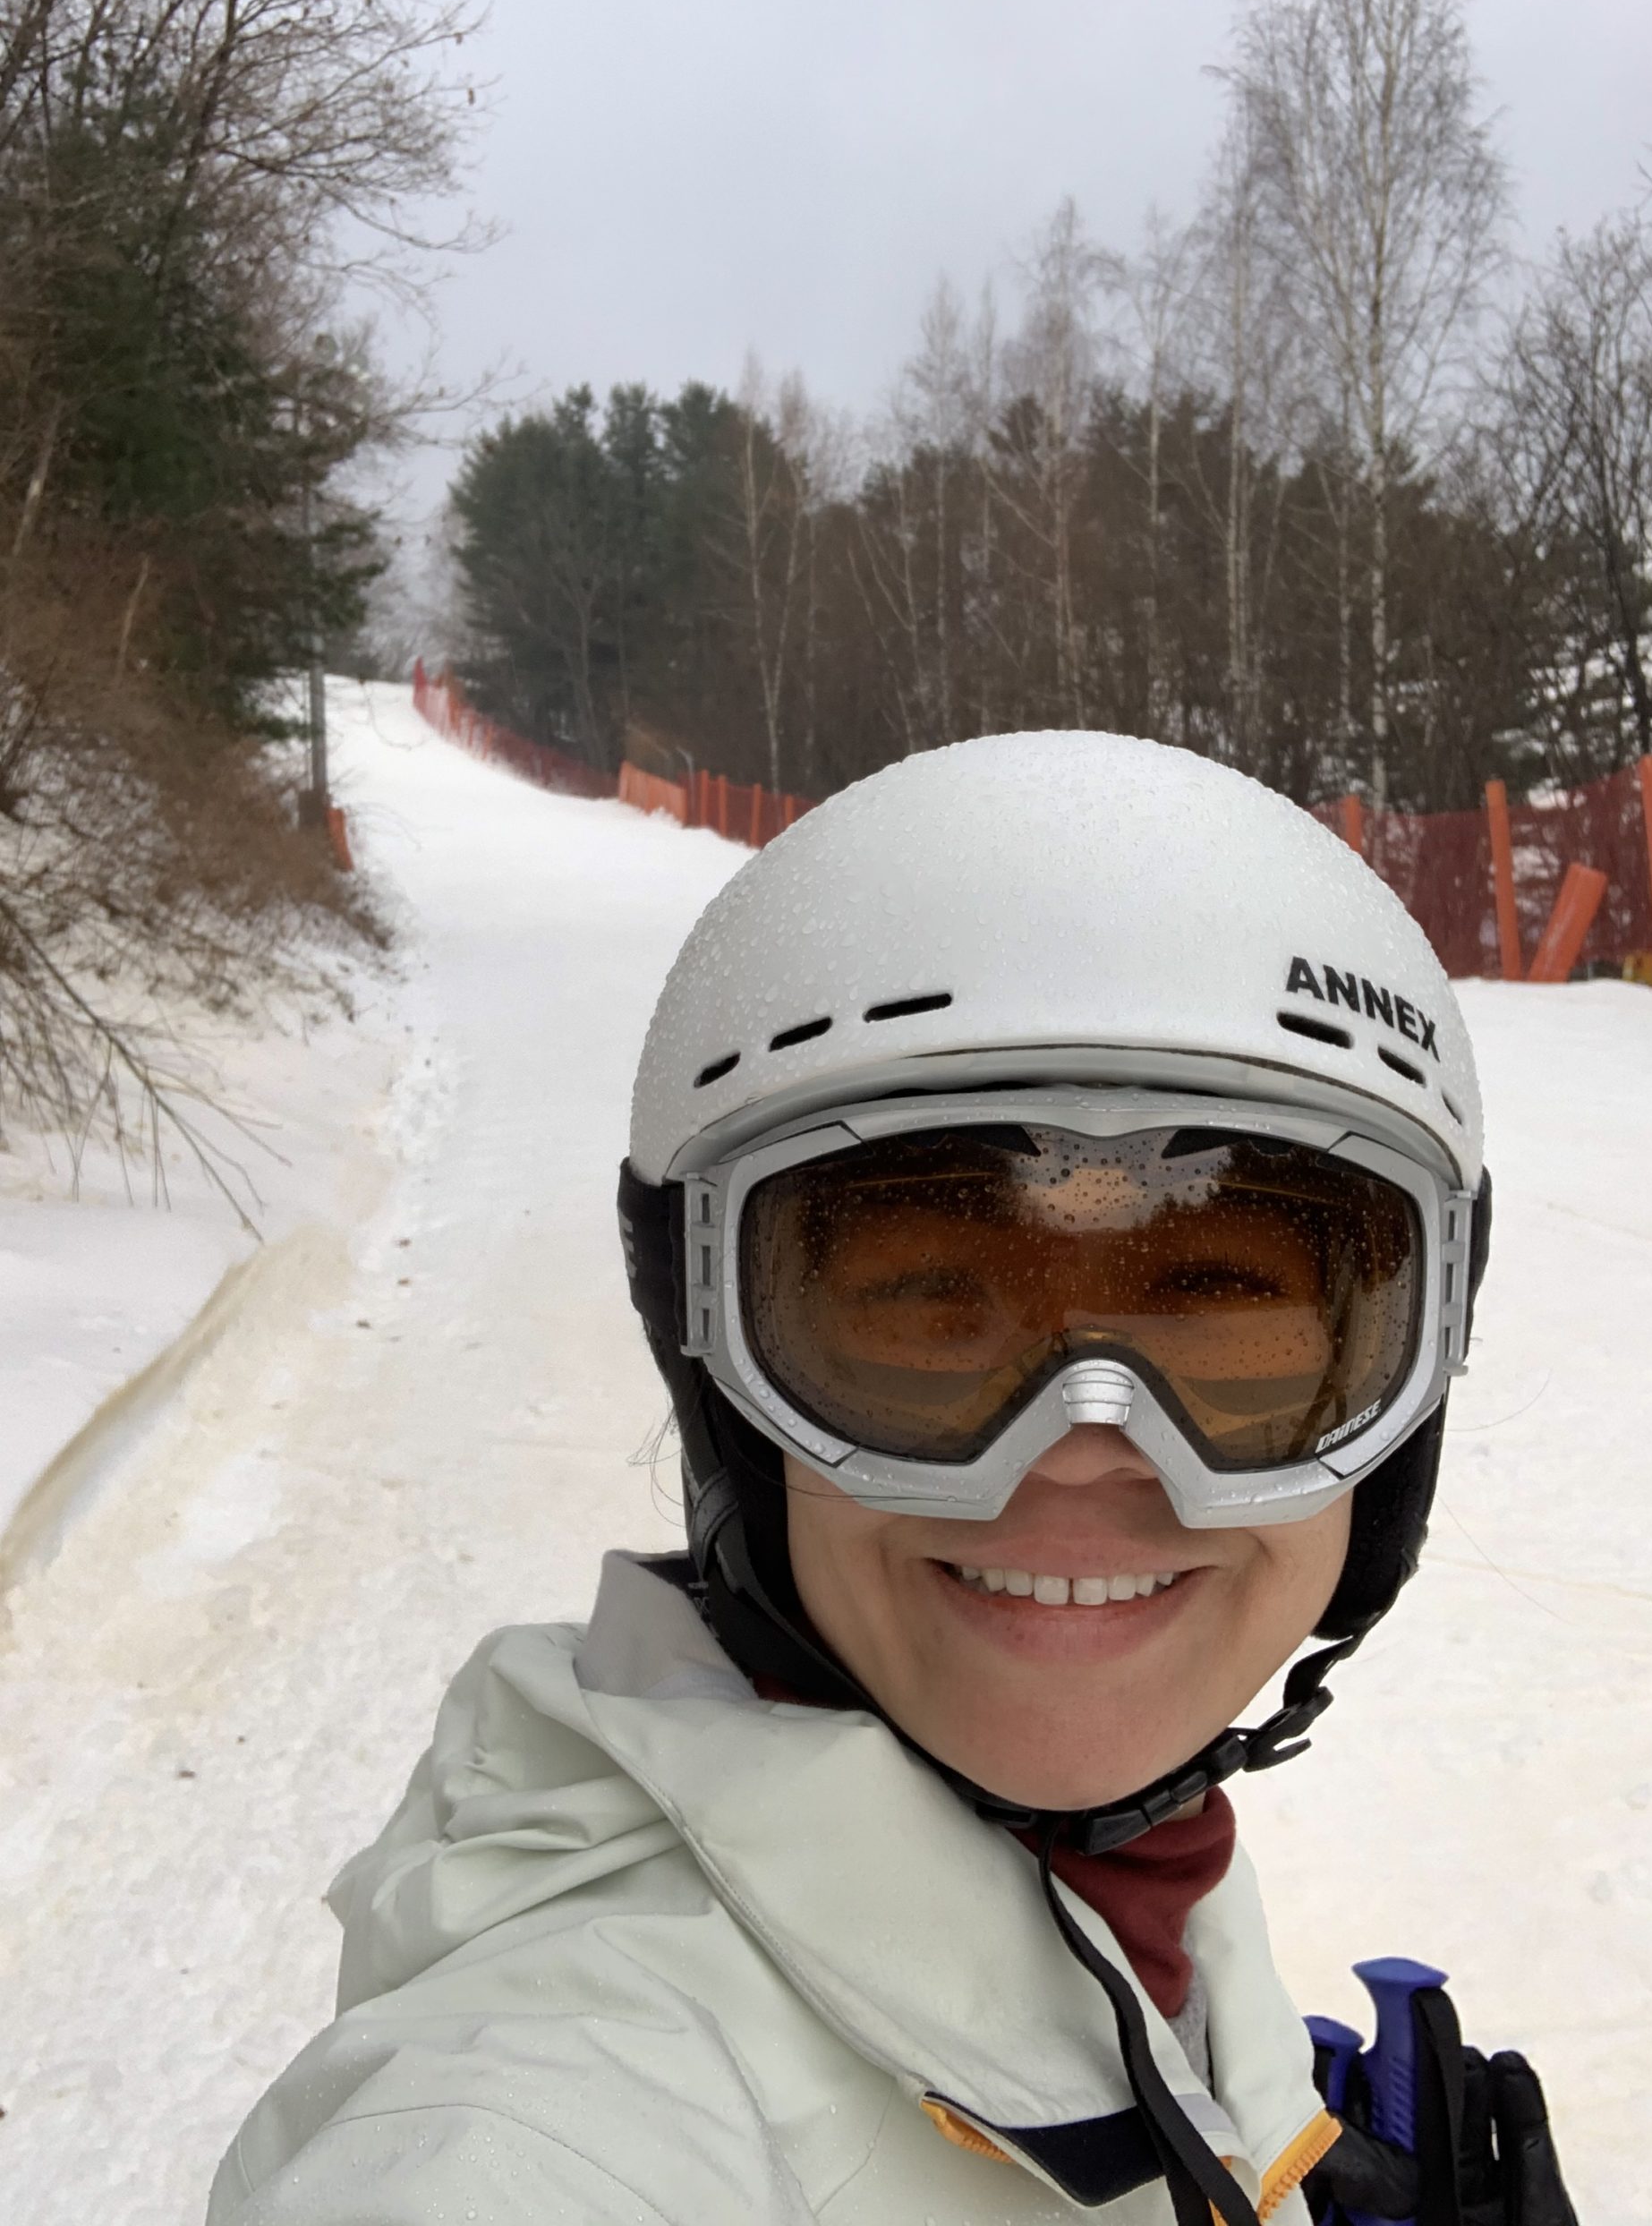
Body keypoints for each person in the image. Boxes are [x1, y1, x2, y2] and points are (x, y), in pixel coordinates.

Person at [209, 732, 1578, 2224]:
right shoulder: (532, 2135)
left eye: (1215, 1303)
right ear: (724, 1382)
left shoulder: (1117, 1901)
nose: (1081, 1450)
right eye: (931, 1304)